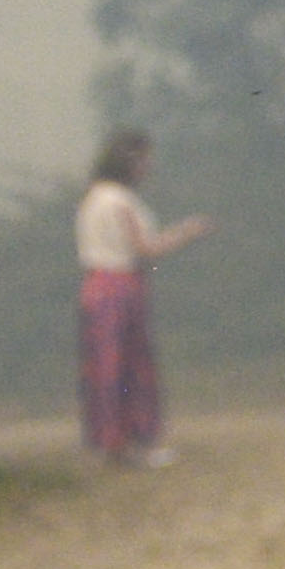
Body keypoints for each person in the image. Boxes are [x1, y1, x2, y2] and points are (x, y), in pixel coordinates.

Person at [73, 130, 209, 471]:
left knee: (105, 366)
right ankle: (138, 440)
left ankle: (111, 442)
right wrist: (187, 232)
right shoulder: (120, 201)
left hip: (95, 286)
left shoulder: (93, 197)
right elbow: (147, 248)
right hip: (120, 286)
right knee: (131, 365)